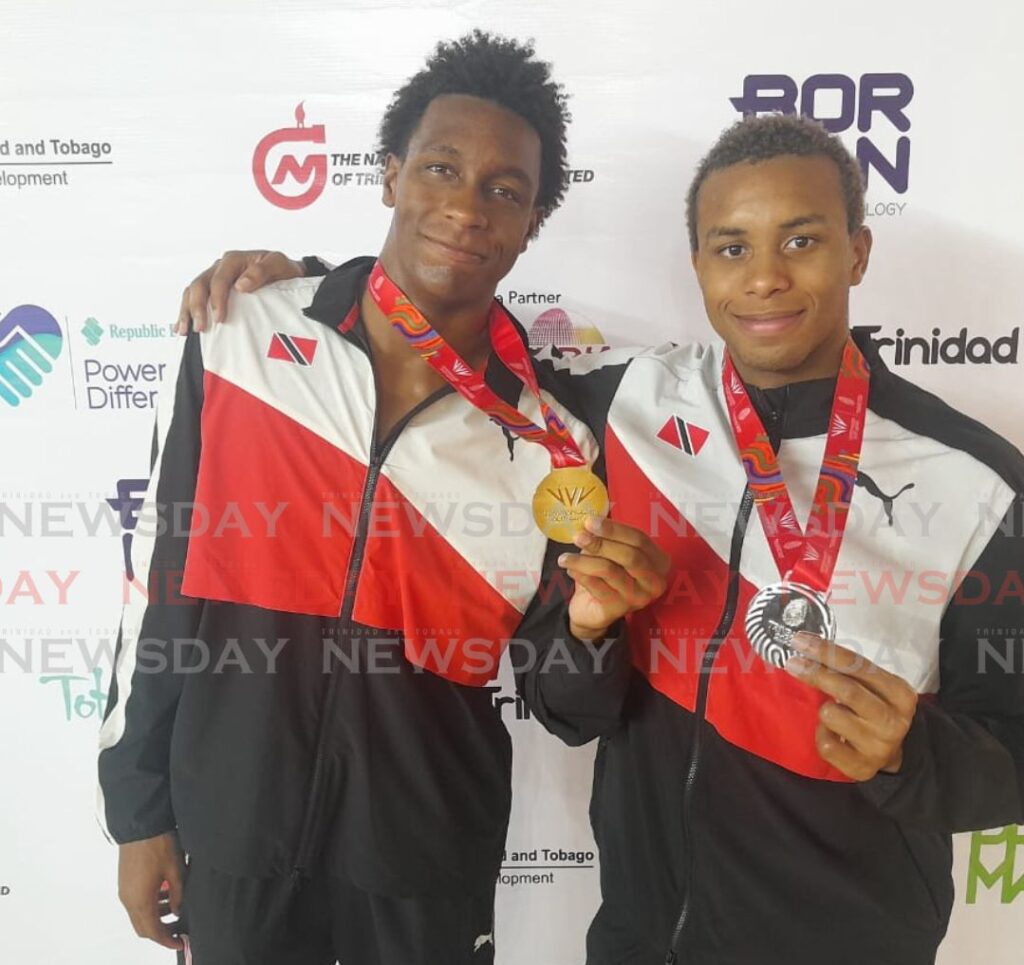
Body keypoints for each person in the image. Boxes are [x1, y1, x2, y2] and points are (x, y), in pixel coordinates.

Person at [191, 114, 1024, 965]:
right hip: (636, 934)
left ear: (858, 252)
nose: (765, 278)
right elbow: (450, 343)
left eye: (802, 240)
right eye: (731, 248)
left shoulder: (980, 483)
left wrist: (913, 756)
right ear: (697, 264)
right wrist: (310, 288)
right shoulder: (625, 401)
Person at [98, 31, 667, 965]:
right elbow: (159, 584)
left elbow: (570, 708)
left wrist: (597, 630)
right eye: (441, 167)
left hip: (422, 859)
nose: (466, 208)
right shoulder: (238, 335)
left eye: (505, 191)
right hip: (234, 829)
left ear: (531, 224)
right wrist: (138, 808)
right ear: (392, 173)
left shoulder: (557, 437)